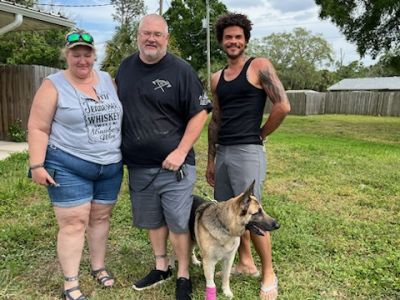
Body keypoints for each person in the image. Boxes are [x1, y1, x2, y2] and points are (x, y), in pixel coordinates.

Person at [115, 14, 211, 300]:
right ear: (138, 36)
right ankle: (161, 266)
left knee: (178, 221)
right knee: (153, 220)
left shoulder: (181, 71)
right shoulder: (126, 67)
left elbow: (200, 112)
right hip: (139, 165)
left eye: (157, 34)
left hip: (175, 167)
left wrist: (181, 152)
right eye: (146, 33)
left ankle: (183, 273)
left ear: (166, 38)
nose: (151, 39)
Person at [27, 30, 123, 300]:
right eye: (75, 54)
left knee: (101, 218)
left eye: (87, 54)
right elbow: (37, 126)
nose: (82, 60)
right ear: (66, 55)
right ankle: (70, 283)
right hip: (68, 163)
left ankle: (98, 266)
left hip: (110, 165)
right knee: (73, 223)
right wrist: (36, 164)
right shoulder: (52, 84)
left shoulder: (107, 80)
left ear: (94, 55)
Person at [206, 13, 291, 300]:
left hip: (247, 152)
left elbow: (282, 106)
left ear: (245, 40)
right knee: (232, 213)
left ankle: (268, 273)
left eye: (238, 37)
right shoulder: (216, 78)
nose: (233, 41)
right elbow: (215, 121)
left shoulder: (259, 66)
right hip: (224, 152)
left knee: (253, 213)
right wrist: (210, 160)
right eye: (228, 37)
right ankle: (245, 262)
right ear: (221, 41)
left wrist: (261, 134)